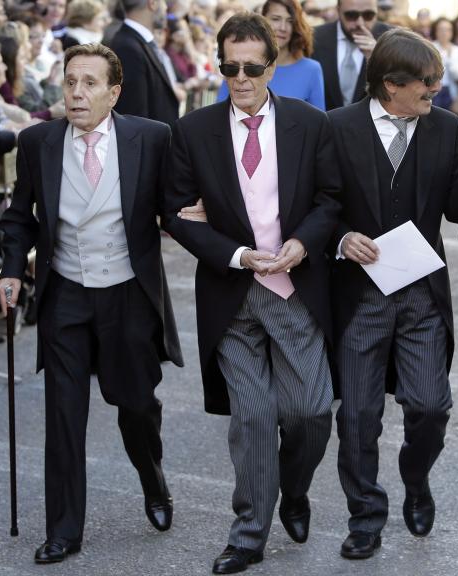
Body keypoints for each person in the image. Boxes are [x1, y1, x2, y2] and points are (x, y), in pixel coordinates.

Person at [164, 12, 340, 574]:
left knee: (311, 411)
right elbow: (177, 213)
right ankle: (248, 534)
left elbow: (331, 200)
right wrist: (234, 254)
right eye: (230, 67)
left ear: (272, 65)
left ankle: (293, 490)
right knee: (256, 417)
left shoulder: (310, 125)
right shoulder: (193, 131)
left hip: (295, 288)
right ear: (220, 66)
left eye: (252, 67)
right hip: (232, 294)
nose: (240, 78)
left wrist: (302, 244)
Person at [0, 42, 183, 564]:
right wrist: (12, 270)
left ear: (113, 92)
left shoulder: (151, 137)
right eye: (70, 81)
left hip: (128, 293)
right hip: (66, 294)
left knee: (136, 407)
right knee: (64, 412)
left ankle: (153, 480)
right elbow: (20, 217)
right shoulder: (37, 142)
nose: (77, 93)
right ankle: (64, 529)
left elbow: (173, 210)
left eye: (90, 83)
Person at [328, 28, 458, 560]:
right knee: (358, 418)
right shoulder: (338, 127)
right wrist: (342, 237)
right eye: (427, 85)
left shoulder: (447, 127)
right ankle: (365, 515)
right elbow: (319, 202)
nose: (436, 92)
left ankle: (416, 479)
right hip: (359, 298)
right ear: (391, 85)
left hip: (421, 297)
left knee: (432, 407)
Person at [216, 0, 325, 110]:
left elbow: (318, 121)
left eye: (290, 21)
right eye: (276, 19)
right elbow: (220, 111)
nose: (283, 27)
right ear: (262, 20)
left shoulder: (311, 69)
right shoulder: (239, 66)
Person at [106, 0, 179, 126]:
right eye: (164, 2)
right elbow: (133, 117)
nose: (166, 7)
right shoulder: (127, 47)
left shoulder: (136, 43)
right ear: (152, 3)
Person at [311, 0, 390, 110]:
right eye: (351, 15)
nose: (360, 23)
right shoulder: (313, 38)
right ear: (338, 11)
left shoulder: (392, 39)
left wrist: (378, 58)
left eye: (368, 15)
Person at [429, 17, 458, 115]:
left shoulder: (457, 50)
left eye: (448, 30)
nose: (444, 33)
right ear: (435, 31)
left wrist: (449, 58)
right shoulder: (429, 47)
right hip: (432, 90)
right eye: (441, 29)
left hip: (451, 91)